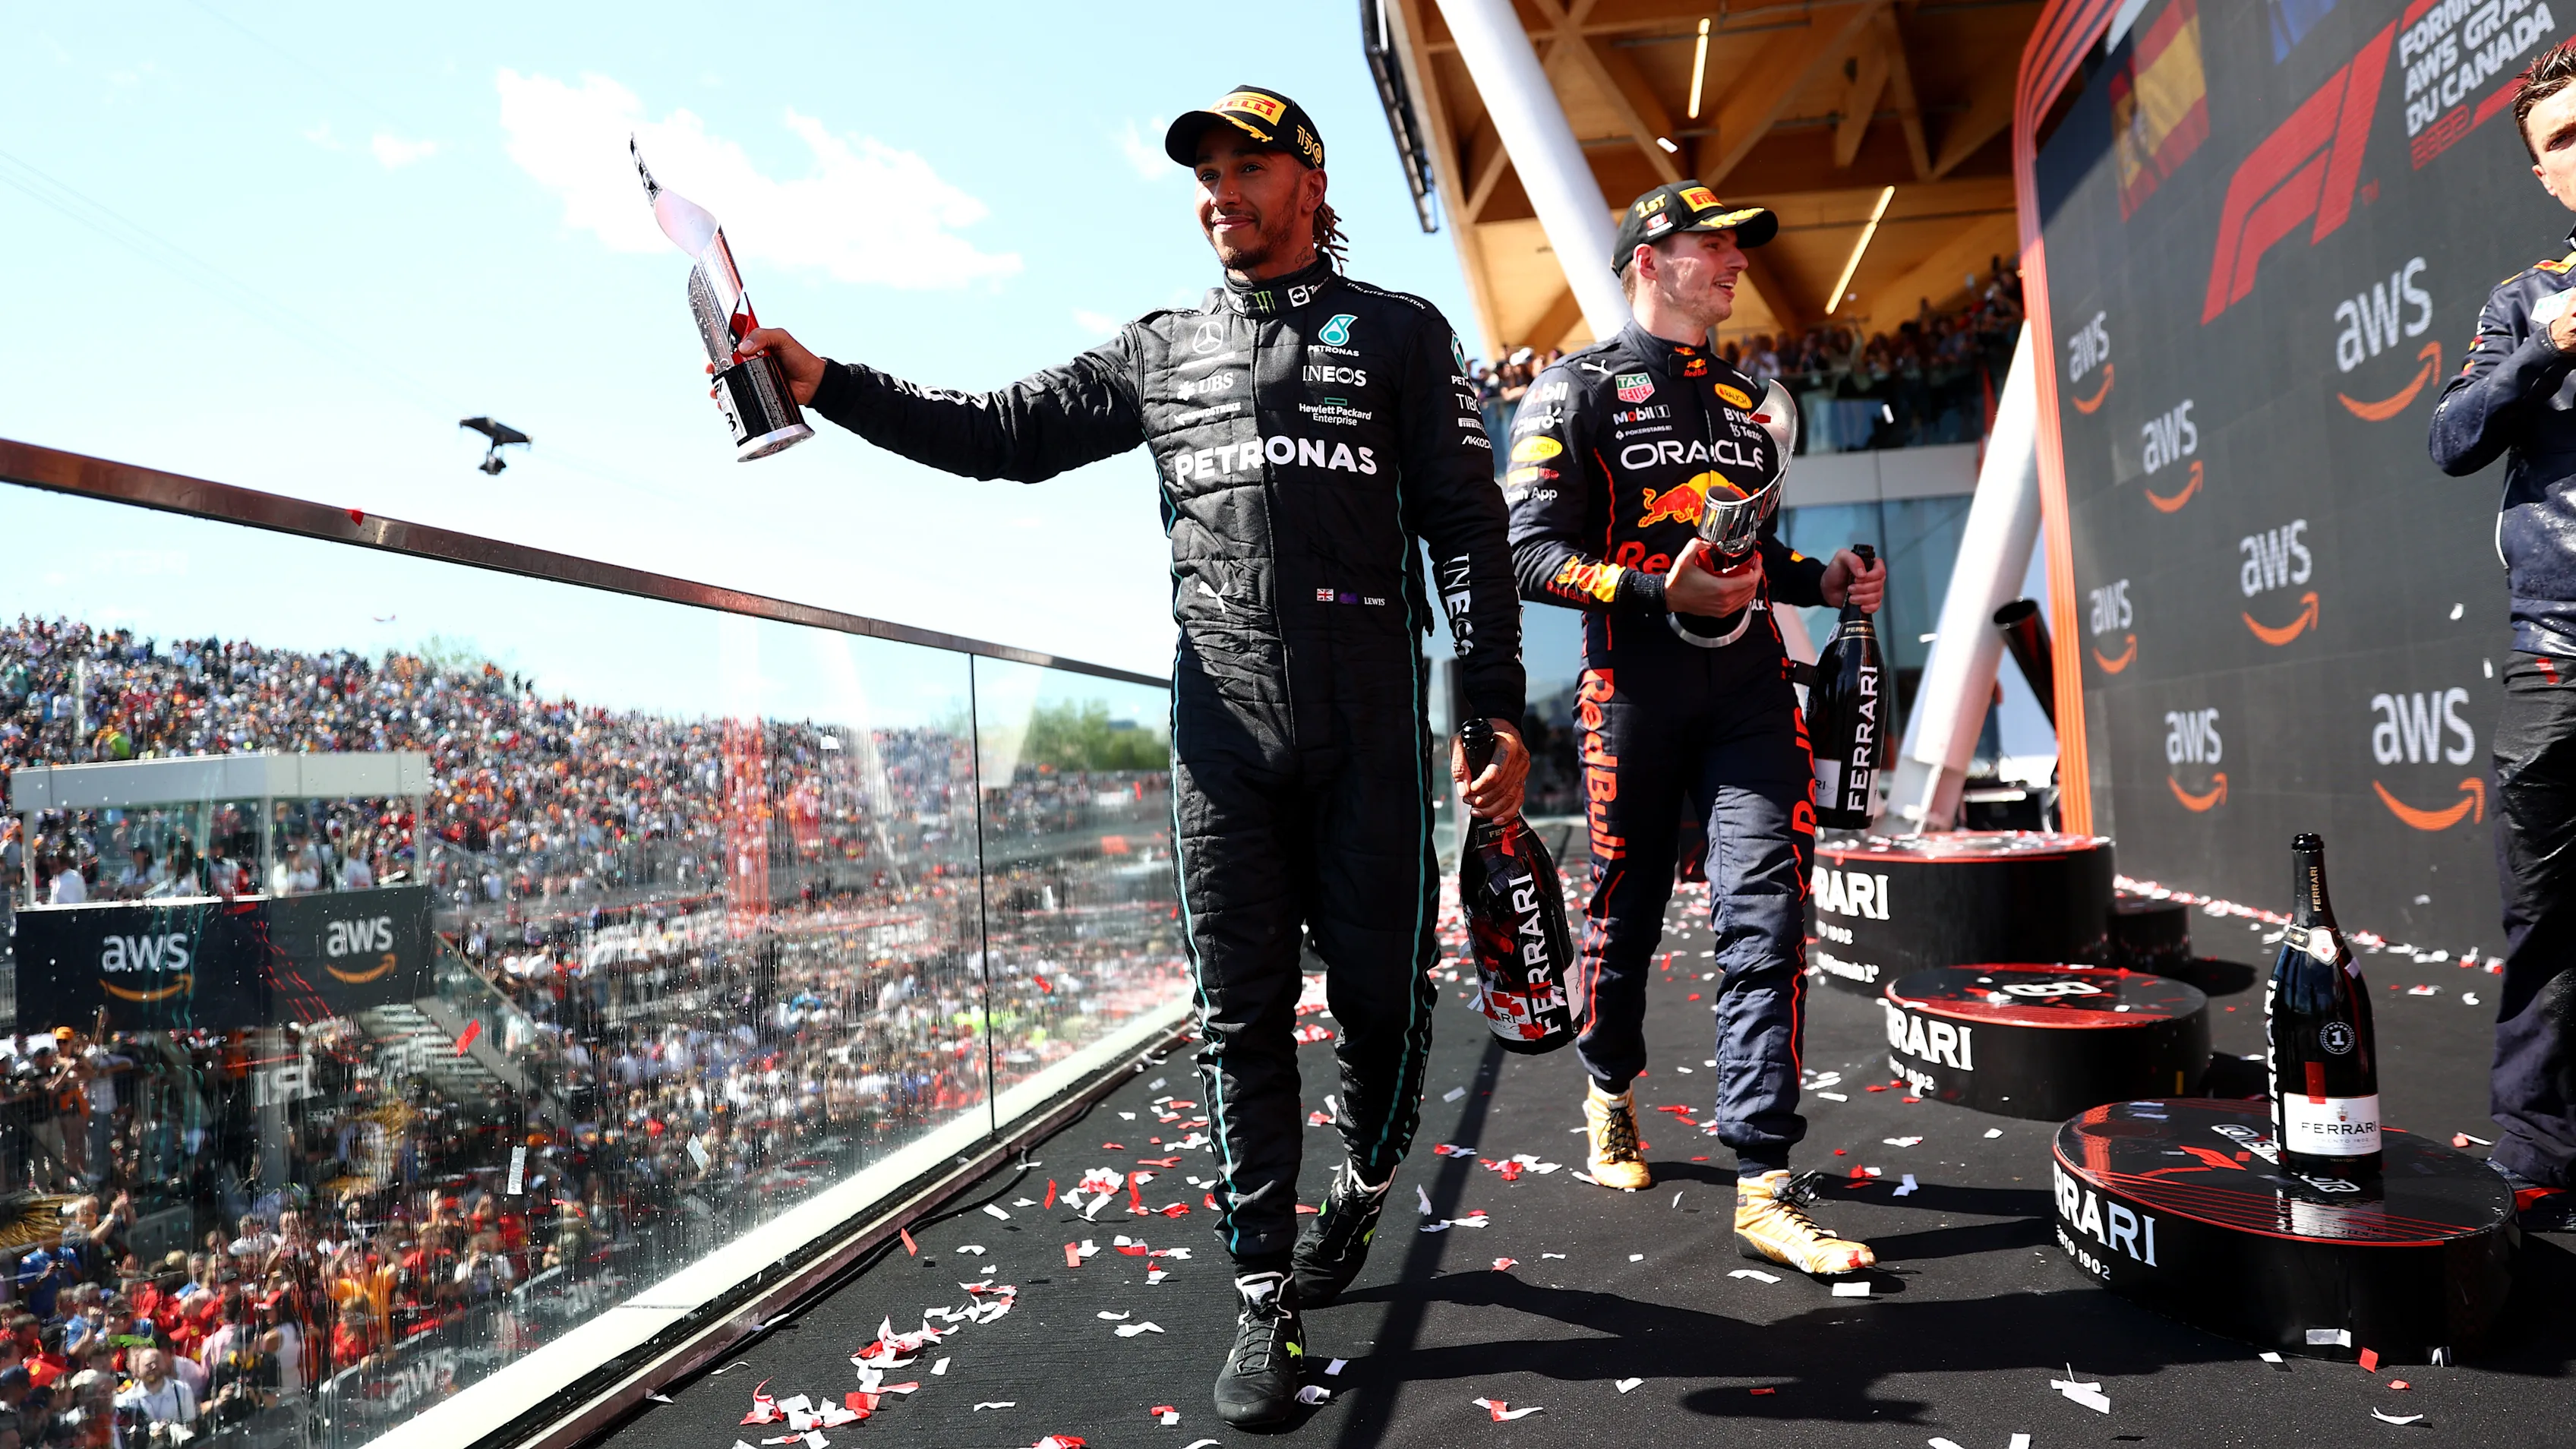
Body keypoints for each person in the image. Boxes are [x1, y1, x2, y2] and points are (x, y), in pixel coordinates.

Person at [722, 84, 1530, 1426]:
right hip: (1220, 732)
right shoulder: (1159, 346)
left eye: (1245, 167)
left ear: (1311, 187)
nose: (1219, 188)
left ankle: (1367, 1184)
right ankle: (1262, 1294)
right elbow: (1001, 433)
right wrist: (828, 382)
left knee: (1385, 1014)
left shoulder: (1402, 332)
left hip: (1372, 727)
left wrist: (1494, 707)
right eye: (1204, 171)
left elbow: (1464, 525)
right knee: (1238, 1021)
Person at [1507, 180, 1886, 1274]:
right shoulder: (1570, 391)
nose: (1731, 264)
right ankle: (1609, 1089)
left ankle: (1765, 1181)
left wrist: (1826, 579)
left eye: (1736, 248)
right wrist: (1650, 595)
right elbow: (1530, 556)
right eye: (1708, 246)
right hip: (1629, 691)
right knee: (1621, 922)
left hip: (1753, 693)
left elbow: (1755, 558)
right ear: (1646, 261)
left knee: (1767, 907)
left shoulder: (1755, 401)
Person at [2428, 36, 2576, 1232]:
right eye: (2561, 142)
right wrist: (2548, 349)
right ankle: (2535, 1157)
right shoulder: (2524, 302)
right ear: (2542, 175)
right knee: (2548, 918)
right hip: (2558, 650)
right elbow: (2453, 436)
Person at [111, 1349, 194, 1436]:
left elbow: (191, 1423)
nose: (154, 1367)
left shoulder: (182, 1390)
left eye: (157, 1363)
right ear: (139, 1368)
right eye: (148, 1365)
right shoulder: (126, 1400)